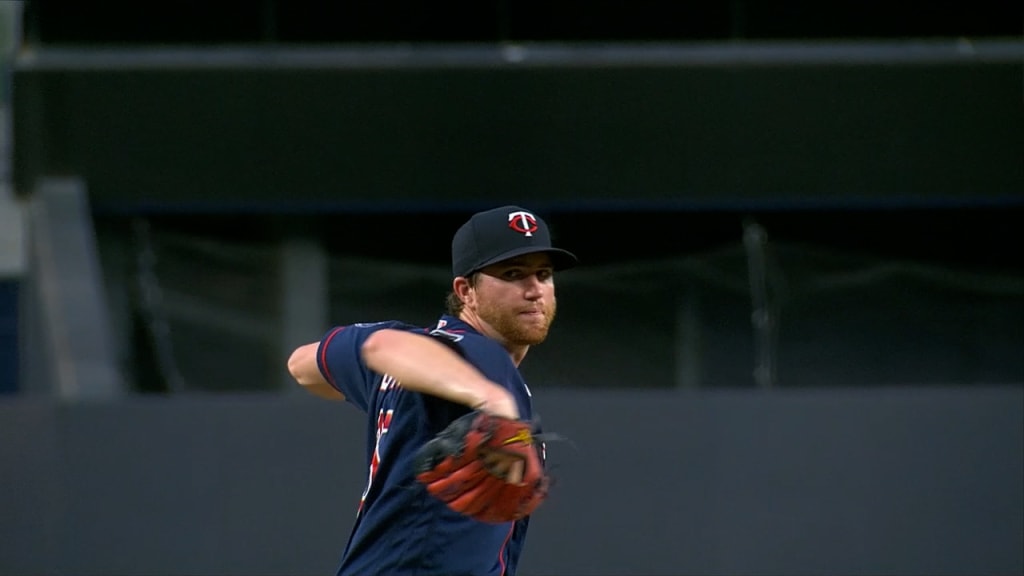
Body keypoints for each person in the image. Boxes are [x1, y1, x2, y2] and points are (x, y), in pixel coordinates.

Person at [287, 205, 577, 576]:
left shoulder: (416, 357)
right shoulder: (482, 356)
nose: (534, 290)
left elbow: (302, 365)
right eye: (513, 274)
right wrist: (493, 400)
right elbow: (383, 348)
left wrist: (381, 392)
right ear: (466, 291)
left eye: (544, 274)